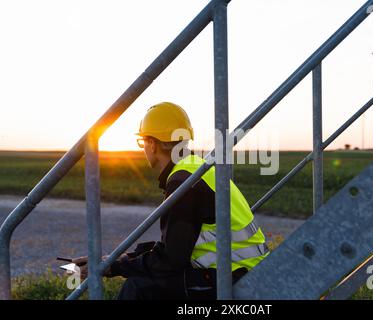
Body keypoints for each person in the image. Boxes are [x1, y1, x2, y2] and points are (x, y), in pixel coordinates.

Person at [73, 102, 269, 300]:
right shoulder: (196, 168)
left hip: (235, 279)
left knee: (139, 287)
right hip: (246, 271)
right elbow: (177, 246)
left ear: (152, 143)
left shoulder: (183, 182)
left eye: (143, 142)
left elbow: (171, 260)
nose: (144, 149)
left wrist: (115, 267)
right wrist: (117, 260)